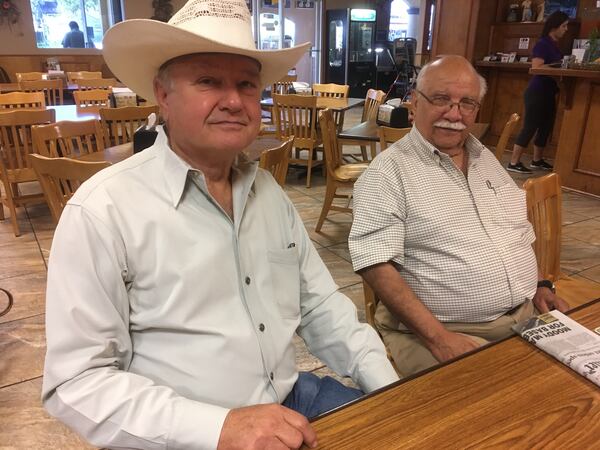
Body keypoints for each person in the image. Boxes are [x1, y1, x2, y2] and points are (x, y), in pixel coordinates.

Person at [42, 1, 399, 449]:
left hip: (293, 397)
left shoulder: (268, 192)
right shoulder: (103, 211)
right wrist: (218, 428)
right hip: (186, 430)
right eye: (209, 81)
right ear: (163, 94)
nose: (233, 101)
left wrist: (389, 387)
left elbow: (320, 305)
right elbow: (77, 382)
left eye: (246, 84)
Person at [349, 55, 568, 378]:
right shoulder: (388, 174)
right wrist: (439, 339)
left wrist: (538, 284)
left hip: (524, 314)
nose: (454, 114)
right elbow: (375, 264)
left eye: (467, 103)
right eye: (441, 99)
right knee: (489, 417)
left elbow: (515, 230)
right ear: (414, 103)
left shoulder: (485, 158)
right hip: (441, 330)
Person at [508, 11, 569, 173]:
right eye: (564, 26)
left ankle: (537, 160)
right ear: (554, 26)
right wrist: (556, 67)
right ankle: (513, 162)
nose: (566, 29)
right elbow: (535, 68)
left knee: (545, 126)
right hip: (537, 91)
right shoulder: (543, 44)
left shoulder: (555, 45)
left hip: (549, 92)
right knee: (530, 126)